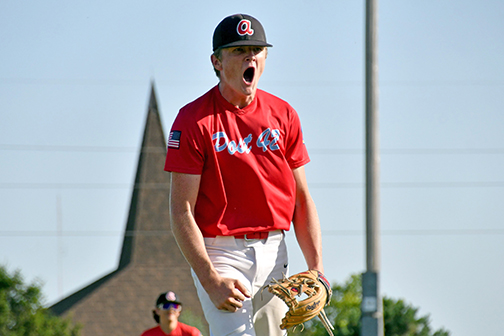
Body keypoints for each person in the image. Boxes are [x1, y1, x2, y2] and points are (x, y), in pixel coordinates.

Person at [164, 13, 326, 336]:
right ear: (217, 61)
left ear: (265, 57)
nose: (249, 56)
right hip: (221, 252)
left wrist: (317, 268)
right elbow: (181, 210)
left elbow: (302, 199)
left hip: (275, 249)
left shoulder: (283, 115)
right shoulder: (194, 120)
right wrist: (209, 279)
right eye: (238, 50)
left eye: (256, 49)